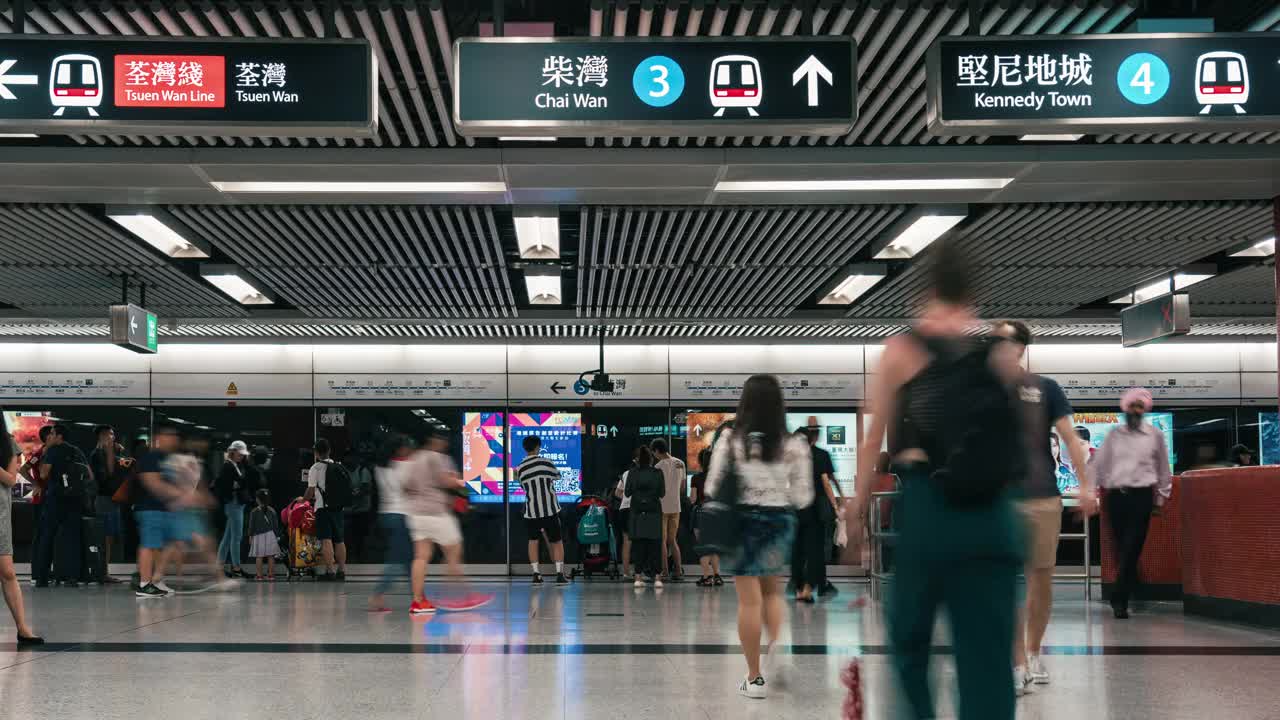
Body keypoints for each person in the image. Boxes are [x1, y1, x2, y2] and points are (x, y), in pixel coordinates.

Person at [852, 240, 1025, 720]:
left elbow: (871, 443)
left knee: (910, 644)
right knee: (987, 659)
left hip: (929, 513)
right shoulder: (1000, 355)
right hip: (993, 518)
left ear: (926, 288)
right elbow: (1018, 446)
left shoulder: (901, 351)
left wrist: (855, 513)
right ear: (974, 292)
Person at [991, 319, 1098, 695]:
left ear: (1021, 348)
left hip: (1041, 495)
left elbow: (1070, 438)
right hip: (996, 499)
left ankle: (1033, 653)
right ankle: (1015, 660)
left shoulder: (1045, 389)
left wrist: (1085, 486)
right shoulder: (981, 390)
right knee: (1001, 580)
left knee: (1040, 577)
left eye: (1005, 342)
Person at [704, 374, 814, 700]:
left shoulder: (729, 439)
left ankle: (754, 678)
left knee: (749, 600)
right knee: (773, 593)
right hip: (779, 520)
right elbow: (804, 496)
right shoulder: (794, 443)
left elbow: (712, 486)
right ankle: (778, 650)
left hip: (741, 522)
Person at [1091, 388, 1173, 620]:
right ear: (1125, 408)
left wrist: (1160, 498)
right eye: (1132, 406)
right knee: (1120, 548)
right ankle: (1130, 584)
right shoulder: (1113, 435)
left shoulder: (1155, 435)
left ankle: (1119, 600)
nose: (1136, 410)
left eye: (1140, 406)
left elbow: (1163, 470)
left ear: (1145, 409)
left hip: (1142, 497)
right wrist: (1091, 494)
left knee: (1132, 546)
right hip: (1115, 497)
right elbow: (1098, 465)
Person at [402, 427, 492, 614]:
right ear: (436, 440)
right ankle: (463, 596)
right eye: (442, 439)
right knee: (454, 552)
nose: (445, 443)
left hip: (417, 515)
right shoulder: (438, 457)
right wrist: (462, 481)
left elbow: (406, 487)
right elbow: (447, 481)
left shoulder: (415, 458)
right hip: (437, 514)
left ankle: (418, 601)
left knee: (421, 557)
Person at [134, 426, 193, 598]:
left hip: (166, 510)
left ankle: (157, 581)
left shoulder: (171, 459)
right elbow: (153, 483)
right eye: (169, 435)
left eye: (175, 436)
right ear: (159, 438)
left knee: (165, 545)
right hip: (150, 509)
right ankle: (144, 584)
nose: (173, 439)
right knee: (149, 544)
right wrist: (180, 494)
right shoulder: (151, 457)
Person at [0, 413, 42, 646]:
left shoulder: (7, 443)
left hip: (0, 516)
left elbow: (10, 479)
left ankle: (23, 629)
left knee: (7, 572)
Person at [36, 423, 86, 587]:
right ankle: (72, 577)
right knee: (72, 538)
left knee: (47, 537)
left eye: (52, 433)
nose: (49, 436)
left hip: (55, 500)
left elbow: (43, 474)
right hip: (74, 500)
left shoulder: (52, 451)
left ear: (59, 436)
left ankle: (42, 577)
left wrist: (46, 452)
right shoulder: (76, 451)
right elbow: (89, 475)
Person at [793, 426, 838, 603]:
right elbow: (826, 482)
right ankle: (808, 589)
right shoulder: (815, 456)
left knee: (797, 550)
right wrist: (835, 505)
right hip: (813, 510)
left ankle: (800, 589)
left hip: (795, 510)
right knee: (815, 549)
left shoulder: (791, 458)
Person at [369, 434, 413, 612]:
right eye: (407, 447)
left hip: (386, 514)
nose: (410, 450)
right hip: (401, 516)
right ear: (400, 449)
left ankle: (418, 597)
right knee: (397, 559)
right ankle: (377, 595)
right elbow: (410, 489)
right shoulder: (405, 466)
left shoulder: (380, 467)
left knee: (409, 559)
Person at [517, 435, 568, 586]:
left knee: (533, 541)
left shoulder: (520, 468)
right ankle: (559, 573)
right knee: (557, 541)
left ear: (525, 448)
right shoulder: (546, 462)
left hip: (531, 511)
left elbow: (522, 486)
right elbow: (557, 476)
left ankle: (536, 574)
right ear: (538, 447)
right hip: (550, 509)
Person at [88, 425, 130, 584]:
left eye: (112, 434)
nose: (111, 438)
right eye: (108, 435)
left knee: (110, 537)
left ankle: (104, 571)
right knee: (103, 537)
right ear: (101, 437)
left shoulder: (113, 453)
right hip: (103, 499)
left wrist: (117, 454)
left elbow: (122, 471)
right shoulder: (97, 454)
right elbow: (106, 477)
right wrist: (112, 453)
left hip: (113, 499)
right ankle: (101, 572)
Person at [306, 438, 348, 581]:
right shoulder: (338, 466)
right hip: (338, 508)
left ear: (316, 453)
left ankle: (330, 571)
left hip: (323, 508)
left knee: (326, 539)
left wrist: (303, 499)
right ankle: (342, 571)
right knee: (340, 540)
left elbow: (311, 491)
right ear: (329, 451)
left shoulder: (315, 468)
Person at [624, 446, 666, 588]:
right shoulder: (658, 473)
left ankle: (638, 577)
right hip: (654, 513)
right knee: (655, 546)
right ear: (651, 459)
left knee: (638, 546)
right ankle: (658, 578)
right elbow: (662, 493)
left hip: (637, 513)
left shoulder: (632, 473)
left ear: (637, 459)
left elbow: (627, 493)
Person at [652, 438, 687, 582]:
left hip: (661, 507)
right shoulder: (680, 463)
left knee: (662, 541)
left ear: (656, 451)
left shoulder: (658, 467)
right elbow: (683, 487)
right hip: (676, 506)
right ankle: (678, 571)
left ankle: (665, 571)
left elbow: (655, 489)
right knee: (673, 540)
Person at [215, 440, 250, 578]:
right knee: (236, 537)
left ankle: (220, 566)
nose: (242, 456)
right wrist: (236, 486)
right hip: (234, 504)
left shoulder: (232, 465)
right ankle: (236, 567)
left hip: (234, 504)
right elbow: (228, 485)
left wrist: (237, 485)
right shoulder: (229, 466)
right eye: (240, 454)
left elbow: (237, 483)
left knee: (228, 537)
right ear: (232, 452)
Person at [689, 447, 722, 587]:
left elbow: (692, 499)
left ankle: (706, 577)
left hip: (702, 514)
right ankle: (717, 576)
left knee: (703, 547)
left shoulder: (696, 478)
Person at [613, 449, 638, 579]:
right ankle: (639, 572)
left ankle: (626, 572)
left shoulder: (626, 473)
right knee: (641, 542)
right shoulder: (647, 473)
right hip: (638, 510)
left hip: (624, 510)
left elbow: (617, 493)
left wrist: (627, 498)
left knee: (626, 542)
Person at [247, 489, 281, 580]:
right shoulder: (272, 510)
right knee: (271, 556)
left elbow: (251, 526)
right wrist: (277, 536)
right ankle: (271, 575)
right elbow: (276, 525)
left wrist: (250, 536)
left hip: (258, 536)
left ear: (257, 499)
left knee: (259, 556)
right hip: (271, 536)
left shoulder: (254, 512)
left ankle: (259, 576)